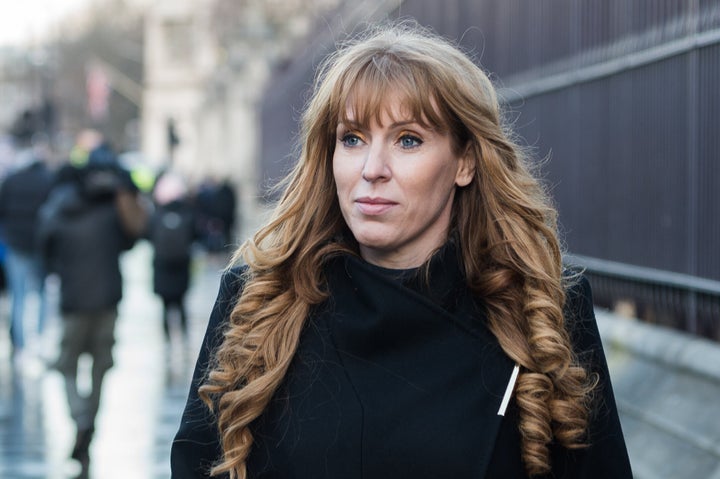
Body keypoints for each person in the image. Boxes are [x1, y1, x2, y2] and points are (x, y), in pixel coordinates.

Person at [171, 22, 632, 479]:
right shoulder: (259, 302)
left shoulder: (540, 311)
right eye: (352, 139)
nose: (372, 168)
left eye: (408, 140)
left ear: (466, 161)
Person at [38, 141, 147, 467]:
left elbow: (45, 245)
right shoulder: (112, 208)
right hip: (107, 300)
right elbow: (133, 239)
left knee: (67, 364)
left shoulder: (58, 206)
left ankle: (79, 418)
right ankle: (90, 423)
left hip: (73, 300)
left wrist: (57, 271)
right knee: (100, 367)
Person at [0, 135, 54, 360]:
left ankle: (20, 346)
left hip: (16, 245)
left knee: (18, 295)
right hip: (39, 245)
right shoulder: (47, 180)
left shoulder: (11, 181)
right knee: (41, 293)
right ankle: (39, 339)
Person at [147, 171, 197, 343]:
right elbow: (196, 235)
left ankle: (167, 340)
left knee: (165, 306)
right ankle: (183, 337)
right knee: (181, 303)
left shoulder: (156, 215)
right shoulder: (188, 214)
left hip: (162, 267)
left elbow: (146, 235)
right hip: (182, 267)